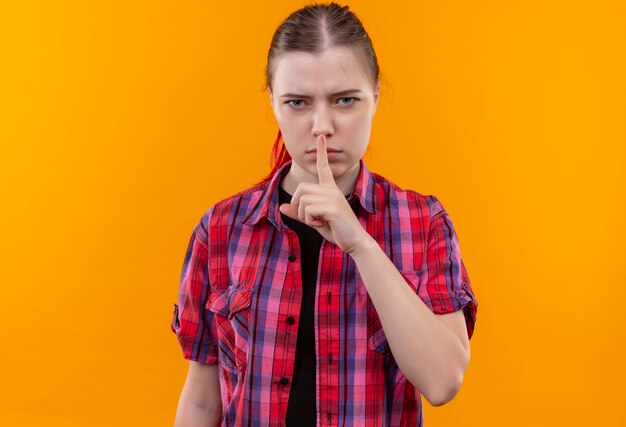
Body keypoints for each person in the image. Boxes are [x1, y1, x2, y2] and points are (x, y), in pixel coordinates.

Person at [171, 3, 478, 426]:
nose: (322, 126)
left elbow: (443, 381)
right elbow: (202, 402)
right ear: (274, 104)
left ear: (375, 98)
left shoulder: (422, 222)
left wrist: (360, 244)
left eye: (345, 100)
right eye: (297, 102)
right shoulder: (222, 229)